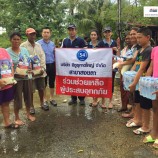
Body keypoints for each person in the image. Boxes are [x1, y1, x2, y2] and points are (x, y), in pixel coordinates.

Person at [127, 27, 152, 136]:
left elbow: (143, 68)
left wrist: (134, 83)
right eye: (137, 37)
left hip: (145, 81)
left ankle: (146, 126)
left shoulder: (148, 50)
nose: (137, 40)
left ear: (148, 37)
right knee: (137, 100)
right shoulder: (140, 49)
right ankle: (138, 119)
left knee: (145, 104)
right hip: (138, 79)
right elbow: (136, 65)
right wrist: (131, 77)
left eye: (140, 37)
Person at [7, 32, 35, 125]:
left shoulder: (24, 50)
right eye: (14, 39)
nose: (16, 41)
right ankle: (17, 117)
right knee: (17, 98)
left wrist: (30, 68)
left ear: (20, 40)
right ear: (10, 40)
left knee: (28, 96)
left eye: (18, 39)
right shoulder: (7, 52)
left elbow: (29, 62)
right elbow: (5, 66)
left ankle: (28, 114)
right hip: (16, 80)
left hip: (27, 77)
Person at [21, 28, 47, 114]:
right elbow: (21, 59)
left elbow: (42, 56)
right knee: (30, 90)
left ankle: (42, 103)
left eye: (34, 34)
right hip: (29, 72)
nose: (33, 36)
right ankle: (31, 106)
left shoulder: (38, 45)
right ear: (27, 35)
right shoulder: (23, 46)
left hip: (40, 71)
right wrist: (26, 69)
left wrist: (43, 68)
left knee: (41, 88)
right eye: (31, 34)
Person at [119, 27, 141, 118]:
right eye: (131, 34)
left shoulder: (139, 46)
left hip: (137, 72)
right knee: (131, 93)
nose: (132, 36)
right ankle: (133, 112)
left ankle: (135, 114)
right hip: (131, 73)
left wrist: (122, 64)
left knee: (136, 94)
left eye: (134, 34)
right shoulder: (132, 46)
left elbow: (133, 60)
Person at [62, 24, 86, 106]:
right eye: (70, 30)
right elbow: (62, 52)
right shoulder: (65, 41)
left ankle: (82, 98)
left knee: (80, 82)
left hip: (79, 66)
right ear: (68, 31)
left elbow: (87, 53)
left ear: (76, 31)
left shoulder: (81, 40)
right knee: (72, 82)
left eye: (73, 30)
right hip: (69, 66)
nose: (71, 31)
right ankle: (73, 98)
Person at [98, 26, 119, 109]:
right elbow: (98, 54)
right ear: (103, 33)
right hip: (103, 67)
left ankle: (110, 101)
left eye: (108, 32)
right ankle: (103, 101)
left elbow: (119, 54)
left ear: (111, 33)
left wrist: (116, 50)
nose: (107, 33)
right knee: (103, 83)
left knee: (111, 83)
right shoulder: (101, 43)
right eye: (105, 32)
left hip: (112, 66)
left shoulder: (115, 42)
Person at [37, 27, 57, 107]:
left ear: (50, 34)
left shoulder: (52, 44)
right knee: (43, 83)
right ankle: (44, 99)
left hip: (52, 65)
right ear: (42, 33)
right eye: (44, 32)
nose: (46, 34)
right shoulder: (38, 44)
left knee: (52, 82)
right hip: (43, 66)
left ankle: (52, 98)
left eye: (47, 32)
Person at [143, 46, 158, 148]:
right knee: (155, 109)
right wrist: (145, 82)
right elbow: (151, 67)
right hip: (154, 83)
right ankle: (154, 133)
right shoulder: (155, 49)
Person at [0, 48, 18, 129]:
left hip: (7, 83)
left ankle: (7, 122)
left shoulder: (3, 51)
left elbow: (11, 66)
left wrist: (12, 78)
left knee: (6, 103)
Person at [115, 32, 133, 112]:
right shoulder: (125, 49)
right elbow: (119, 57)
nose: (128, 40)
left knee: (130, 91)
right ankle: (124, 106)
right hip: (123, 72)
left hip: (131, 72)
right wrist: (118, 47)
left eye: (129, 38)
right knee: (123, 90)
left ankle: (131, 108)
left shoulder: (135, 49)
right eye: (126, 39)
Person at [87, 30, 100, 107]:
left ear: (97, 36)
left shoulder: (101, 44)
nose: (93, 36)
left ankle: (96, 99)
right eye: (92, 35)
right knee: (91, 84)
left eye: (94, 35)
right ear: (90, 36)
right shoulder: (87, 45)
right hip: (89, 67)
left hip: (99, 66)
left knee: (97, 83)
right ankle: (93, 99)